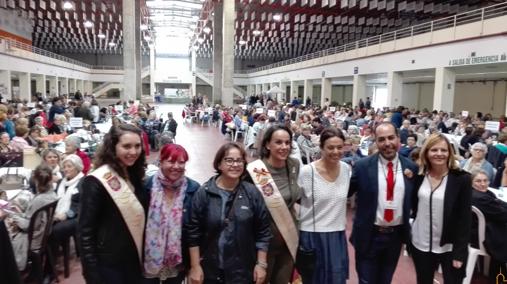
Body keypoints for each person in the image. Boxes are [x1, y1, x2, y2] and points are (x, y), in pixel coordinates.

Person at [187, 142, 271, 284]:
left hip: (242, 270)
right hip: (211, 268)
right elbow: (193, 232)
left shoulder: (252, 193)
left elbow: (263, 231)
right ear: (219, 164)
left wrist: (261, 264)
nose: (235, 164)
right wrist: (195, 267)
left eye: (239, 160)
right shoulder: (204, 193)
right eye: (229, 160)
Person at [78, 124, 149, 284]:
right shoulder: (95, 181)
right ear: (112, 147)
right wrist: (92, 275)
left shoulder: (134, 175)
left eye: (137, 146)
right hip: (109, 264)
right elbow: (85, 233)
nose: (133, 152)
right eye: (126, 146)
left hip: (134, 259)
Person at [348, 122, 417, 284]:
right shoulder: (363, 166)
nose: (387, 143)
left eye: (391, 138)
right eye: (381, 139)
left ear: (399, 139)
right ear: (376, 142)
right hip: (368, 235)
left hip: (395, 237)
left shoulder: (411, 168)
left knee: (385, 280)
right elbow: (345, 192)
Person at [410, 133, 471, 284]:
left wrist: (460, 253)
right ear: (426, 152)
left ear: (450, 153)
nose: (439, 154)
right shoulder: (418, 176)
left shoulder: (461, 179)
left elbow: (465, 218)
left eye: (443, 150)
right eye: (434, 150)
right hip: (420, 242)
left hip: (449, 246)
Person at [246, 125, 301, 284]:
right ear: (267, 145)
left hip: (288, 241)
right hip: (263, 244)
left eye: (287, 142)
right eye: (278, 142)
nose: (284, 147)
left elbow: (296, 196)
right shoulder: (255, 170)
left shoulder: (293, 165)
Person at [298, 128, 351, 284]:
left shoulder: (347, 170)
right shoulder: (307, 172)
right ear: (321, 148)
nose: (336, 151)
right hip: (312, 235)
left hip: (337, 234)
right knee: (312, 279)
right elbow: (296, 199)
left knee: (336, 279)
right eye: (330, 147)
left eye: (339, 147)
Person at [143, 144, 200, 283]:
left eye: (181, 162)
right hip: (147, 260)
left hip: (178, 261)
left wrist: (195, 265)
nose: (176, 166)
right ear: (161, 161)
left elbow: (197, 228)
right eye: (171, 161)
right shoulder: (145, 187)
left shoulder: (194, 190)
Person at [7, 164, 58, 270]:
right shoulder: (52, 194)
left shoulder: (39, 200)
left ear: (36, 181)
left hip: (33, 239)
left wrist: (13, 215)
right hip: (42, 234)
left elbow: (27, 226)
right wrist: (18, 214)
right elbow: (32, 219)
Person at [48, 154, 85, 275]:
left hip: (76, 218)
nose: (66, 169)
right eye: (64, 167)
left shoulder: (83, 183)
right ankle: (49, 261)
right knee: (44, 228)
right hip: (60, 214)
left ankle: (49, 270)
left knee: (53, 231)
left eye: (69, 166)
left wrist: (66, 215)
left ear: (77, 168)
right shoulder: (62, 182)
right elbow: (54, 199)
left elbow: (81, 206)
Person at [470, 169, 507, 277]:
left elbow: (499, 204)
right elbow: (502, 215)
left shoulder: (482, 193)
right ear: (471, 182)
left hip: (479, 228)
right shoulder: (480, 198)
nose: (483, 184)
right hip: (479, 234)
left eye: (485, 181)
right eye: (478, 181)